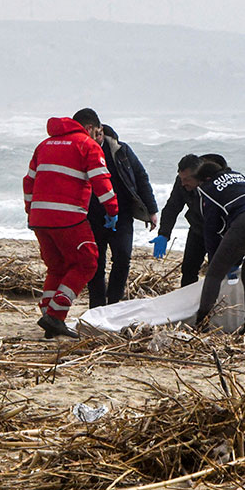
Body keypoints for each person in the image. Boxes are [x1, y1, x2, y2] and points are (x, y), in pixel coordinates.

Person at [23, 116, 118, 338]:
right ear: (90, 128)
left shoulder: (44, 145)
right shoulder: (87, 145)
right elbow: (101, 181)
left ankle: (48, 314)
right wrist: (112, 210)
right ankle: (56, 315)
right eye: (97, 131)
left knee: (57, 267)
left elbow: (28, 181)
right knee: (87, 262)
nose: (98, 136)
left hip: (40, 218)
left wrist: (31, 210)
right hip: (68, 218)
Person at [72, 108, 158, 308]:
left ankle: (114, 303)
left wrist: (151, 211)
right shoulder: (79, 151)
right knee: (96, 263)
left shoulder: (121, 150)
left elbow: (141, 177)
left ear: (98, 130)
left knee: (122, 258)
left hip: (122, 214)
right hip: (91, 216)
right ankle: (97, 306)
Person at [195, 161, 245, 333]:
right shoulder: (239, 177)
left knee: (214, 274)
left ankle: (201, 324)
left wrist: (214, 259)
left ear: (206, 179)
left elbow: (212, 228)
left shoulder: (207, 188)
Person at [152, 153, 227, 286]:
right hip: (198, 228)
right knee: (188, 269)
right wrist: (164, 234)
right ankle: (186, 303)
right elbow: (172, 207)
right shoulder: (182, 182)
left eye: (186, 179)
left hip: (220, 232)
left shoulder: (217, 181)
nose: (182, 183)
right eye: (181, 178)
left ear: (200, 177)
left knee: (218, 270)